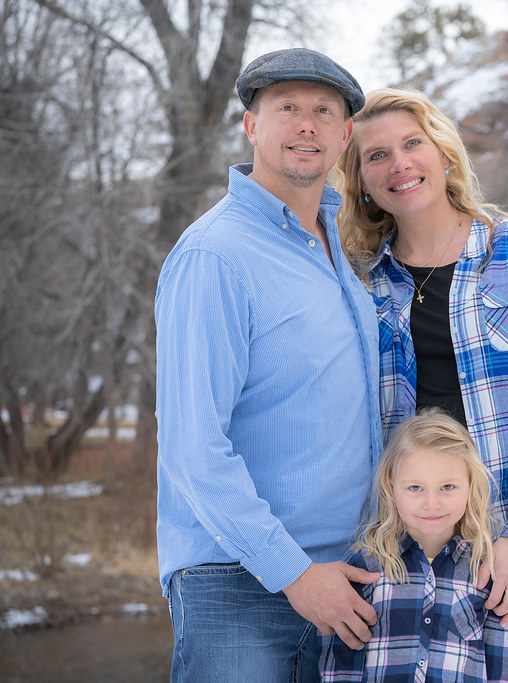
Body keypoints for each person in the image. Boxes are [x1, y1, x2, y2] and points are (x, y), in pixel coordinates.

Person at [155, 48, 383, 682]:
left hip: (345, 583)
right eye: (287, 108)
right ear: (252, 126)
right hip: (240, 582)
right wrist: (294, 573)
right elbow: (192, 446)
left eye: (323, 112)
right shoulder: (216, 254)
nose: (306, 125)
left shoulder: (341, 250)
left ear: (343, 136)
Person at [331, 87, 508, 681]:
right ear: (361, 180)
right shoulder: (361, 278)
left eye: (412, 144)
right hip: (397, 539)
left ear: (444, 152)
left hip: (501, 539)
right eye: (377, 155)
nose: (400, 165)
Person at [319, 409, 508, 681]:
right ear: (391, 486)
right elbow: (340, 663)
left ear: (470, 485)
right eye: (416, 488)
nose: (432, 503)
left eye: (447, 487)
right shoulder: (366, 567)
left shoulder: (489, 573)